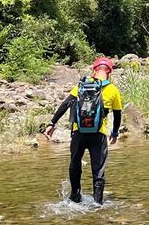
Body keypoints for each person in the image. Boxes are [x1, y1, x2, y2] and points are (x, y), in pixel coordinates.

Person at [45, 57, 123, 204]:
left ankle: (75, 197)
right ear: (109, 73)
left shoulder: (82, 86)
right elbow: (118, 114)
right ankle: (97, 203)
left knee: (75, 163)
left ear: (94, 71)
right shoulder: (113, 90)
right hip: (98, 134)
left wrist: (52, 123)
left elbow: (66, 103)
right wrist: (114, 133)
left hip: (78, 132)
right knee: (98, 170)